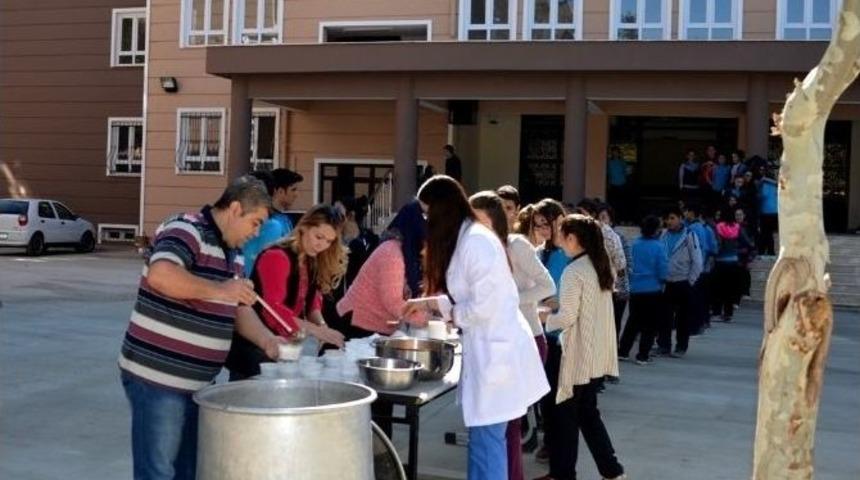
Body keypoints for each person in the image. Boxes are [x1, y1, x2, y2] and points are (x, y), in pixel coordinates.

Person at [119, 176, 282, 480]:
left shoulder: (232, 253)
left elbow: (238, 308)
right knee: (158, 472)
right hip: (159, 378)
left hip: (198, 384)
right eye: (255, 222)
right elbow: (161, 275)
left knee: (189, 470)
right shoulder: (187, 228)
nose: (257, 232)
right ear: (235, 209)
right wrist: (222, 290)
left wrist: (267, 340)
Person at [405, 176, 549, 480]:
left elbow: (483, 307)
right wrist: (432, 303)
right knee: (484, 442)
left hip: (497, 357)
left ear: (442, 209)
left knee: (487, 442)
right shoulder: (468, 238)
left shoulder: (476, 242)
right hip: (490, 353)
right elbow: (471, 298)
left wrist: (449, 312)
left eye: (428, 212)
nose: (426, 220)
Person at [470, 191, 555, 480]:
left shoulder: (516, 245)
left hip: (528, 338)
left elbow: (548, 285)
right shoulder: (486, 248)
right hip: (503, 340)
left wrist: (513, 300)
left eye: (508, 208)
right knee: (502, 425)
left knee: (509, 424)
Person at [536, 214, 626, 480]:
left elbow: (566, 318)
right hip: (595, 354)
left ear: (573, 239)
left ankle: (564, 474)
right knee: (588, 415)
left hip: (576, 354)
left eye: (561, 234)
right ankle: (612, 471)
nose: (558, 239)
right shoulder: (600, 265)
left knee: (566, 419)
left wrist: (542, 317)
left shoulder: (574, 271)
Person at [225, 205, 348, 380]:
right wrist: (318, 332)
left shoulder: (311, 259)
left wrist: (323, 328)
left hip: (284, 349)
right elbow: (274, 311)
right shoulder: (276, 256)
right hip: (253, 350)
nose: (321, 245)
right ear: (304, 227)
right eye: (318, 237)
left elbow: (313, 303)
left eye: (329, 241)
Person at [337, 200, 429, 336]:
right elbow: (393, 302)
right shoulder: (391, 251)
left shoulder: (412, 253)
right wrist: (427, 320)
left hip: (377, 326)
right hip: (356, 324)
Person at [532, 198, 569, 464]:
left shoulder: (572, 251)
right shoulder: (539, 252)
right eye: (538, 226)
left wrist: (559, 302)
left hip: (566, 334)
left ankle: (558, 447)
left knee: (563, 399)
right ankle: (549, 441)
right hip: (543, 331)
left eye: (546, 224)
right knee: (545, 394)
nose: (543, 230)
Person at [618, 215, 668, 365]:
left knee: (633, 320)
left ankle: (623, 351)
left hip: (635, 288)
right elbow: (663, 269)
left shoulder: (635, 244)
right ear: (656, 230)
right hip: (653, 289)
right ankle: (643, 354)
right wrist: (663, 280)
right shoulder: (659, 246)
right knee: (650, 324)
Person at [657, 206, 702, 357]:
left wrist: (690, 281)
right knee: (664, 316)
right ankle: (664, 345)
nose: (669, 221)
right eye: (667, 218)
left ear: (680, 218)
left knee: (683, 317)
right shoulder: (663, 235)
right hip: (666, 282)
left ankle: (681, 347)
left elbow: (697, 261)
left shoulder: (690, 235)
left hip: (683, 281)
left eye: (672, 218)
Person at [242, 168, 303, 276]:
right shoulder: (271, 224)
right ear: (279, 191)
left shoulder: (284, 219)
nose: (297, 194)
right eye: (293, 189)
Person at [684, 203, 718, 333]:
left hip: (695, 269)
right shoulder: (707, 228)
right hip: (705, 269)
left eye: (686, 211)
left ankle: (695, 326)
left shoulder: (691, 229)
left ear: (692, 213)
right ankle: (703, 322)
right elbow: (713, 248)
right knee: (703, 298)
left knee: (694, 299)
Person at [713, 207, 744, 322]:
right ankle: (728, 313)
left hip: (720, 262)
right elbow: (748, 243)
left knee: (719, 288)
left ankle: (717, 311)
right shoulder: (737, 227)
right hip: (733, 262)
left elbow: (717, 244)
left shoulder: (719, 227)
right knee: (730, 289)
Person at [758, 169, 779, 256]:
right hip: (769, 212)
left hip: (769, 212)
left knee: (767, 233)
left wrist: (765, 180)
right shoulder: (763, 185)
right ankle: (769, 251)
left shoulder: (766, 184)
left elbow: (762, 196)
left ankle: (767, 251)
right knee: (767, 234)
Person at [606, 146, 629, 221]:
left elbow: (626, 172)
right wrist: (608, 183)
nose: (615, 154)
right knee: (613, 203)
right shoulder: (609, 162)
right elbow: (608, 174)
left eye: (616, 152)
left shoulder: (622, 162)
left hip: (622, 184)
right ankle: (613, 218)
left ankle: (622, 219)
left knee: (622, 203)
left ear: (619, 153)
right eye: (614, 152)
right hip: (613, 185)